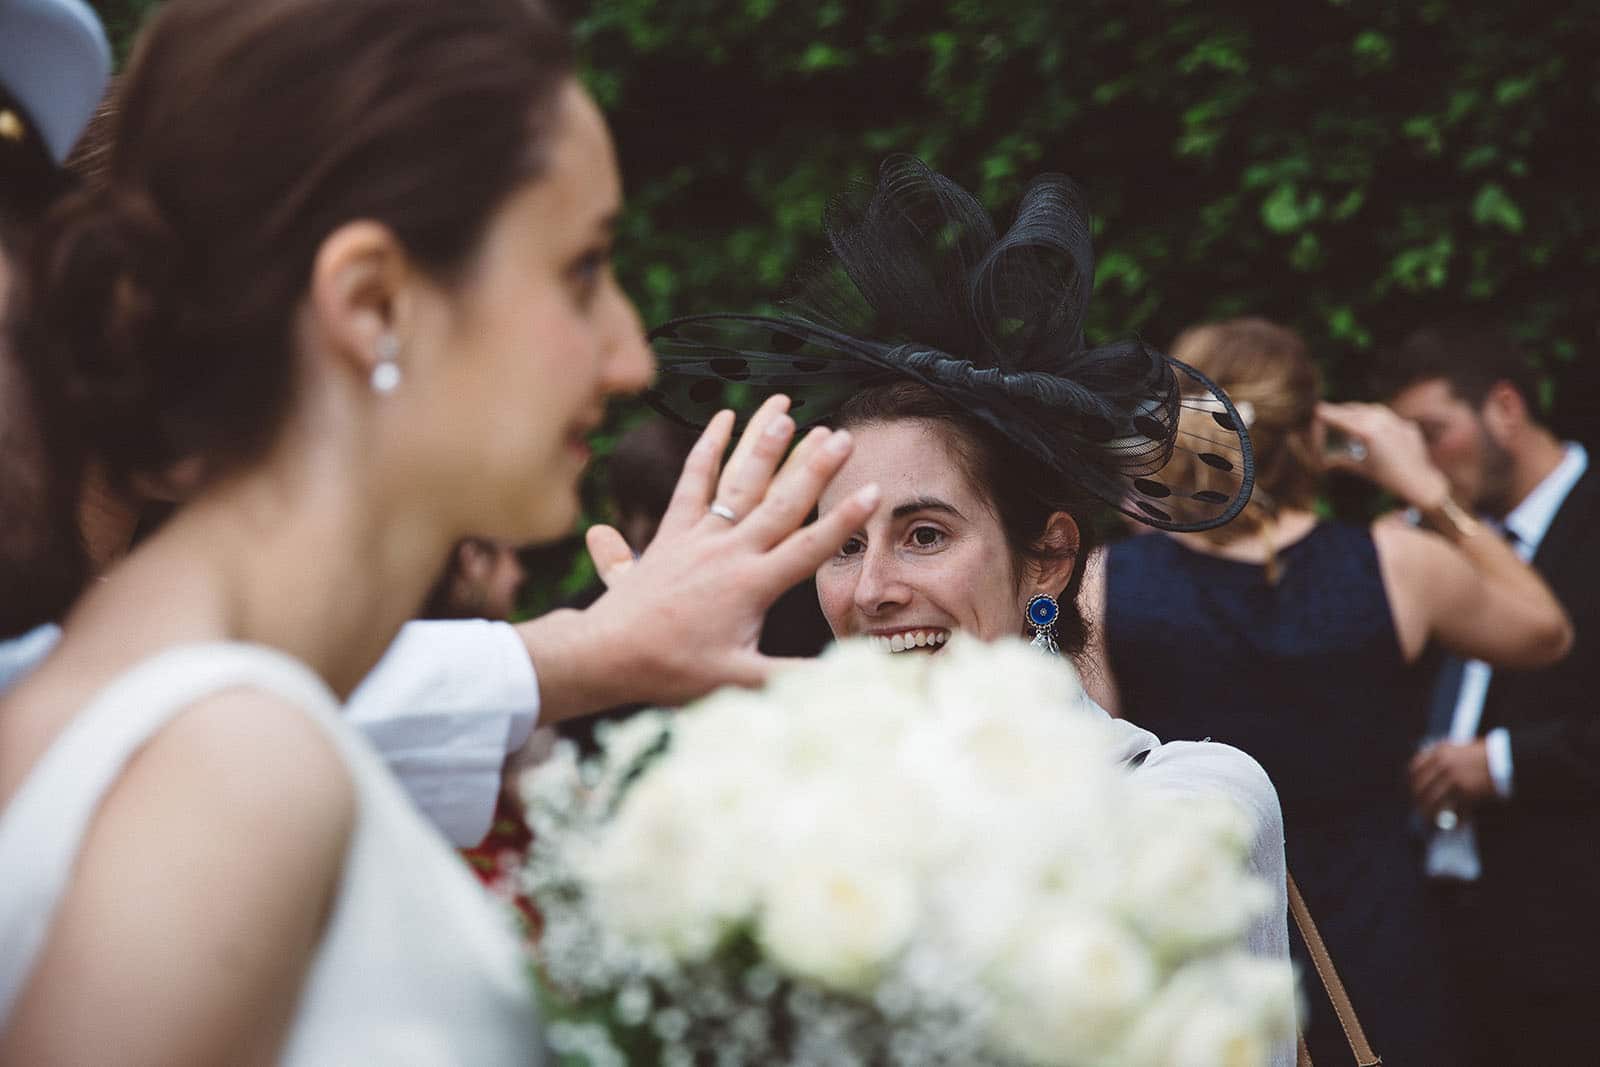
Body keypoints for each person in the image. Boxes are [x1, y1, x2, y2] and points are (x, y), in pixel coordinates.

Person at [0, 0, 881, 1062]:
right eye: (582, 269)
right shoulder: (233, 763)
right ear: (372, 303)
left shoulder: (128, 692)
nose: (628, 357)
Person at [649, 157, 1295, 1067]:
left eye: (922, 534)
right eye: (843, 542)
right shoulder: (794, 808)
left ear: (1051, 555)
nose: (871, 587)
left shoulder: (1191, 796)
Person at [1080, 318, 1572, 1066]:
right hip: (1378, 950)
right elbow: (1544, 628)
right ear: (1313, 428)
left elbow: (1091, 769)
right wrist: (1428, 491)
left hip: (1201, 955)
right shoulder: (1398, 561)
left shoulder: (1108, 582)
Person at [1377, 322, 1596, 1066]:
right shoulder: (1431, 541)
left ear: (1505, 408)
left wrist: (1503, 762)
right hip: (1439, 935)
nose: (1419, 465)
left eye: (1430, 433)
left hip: (1575, 941)